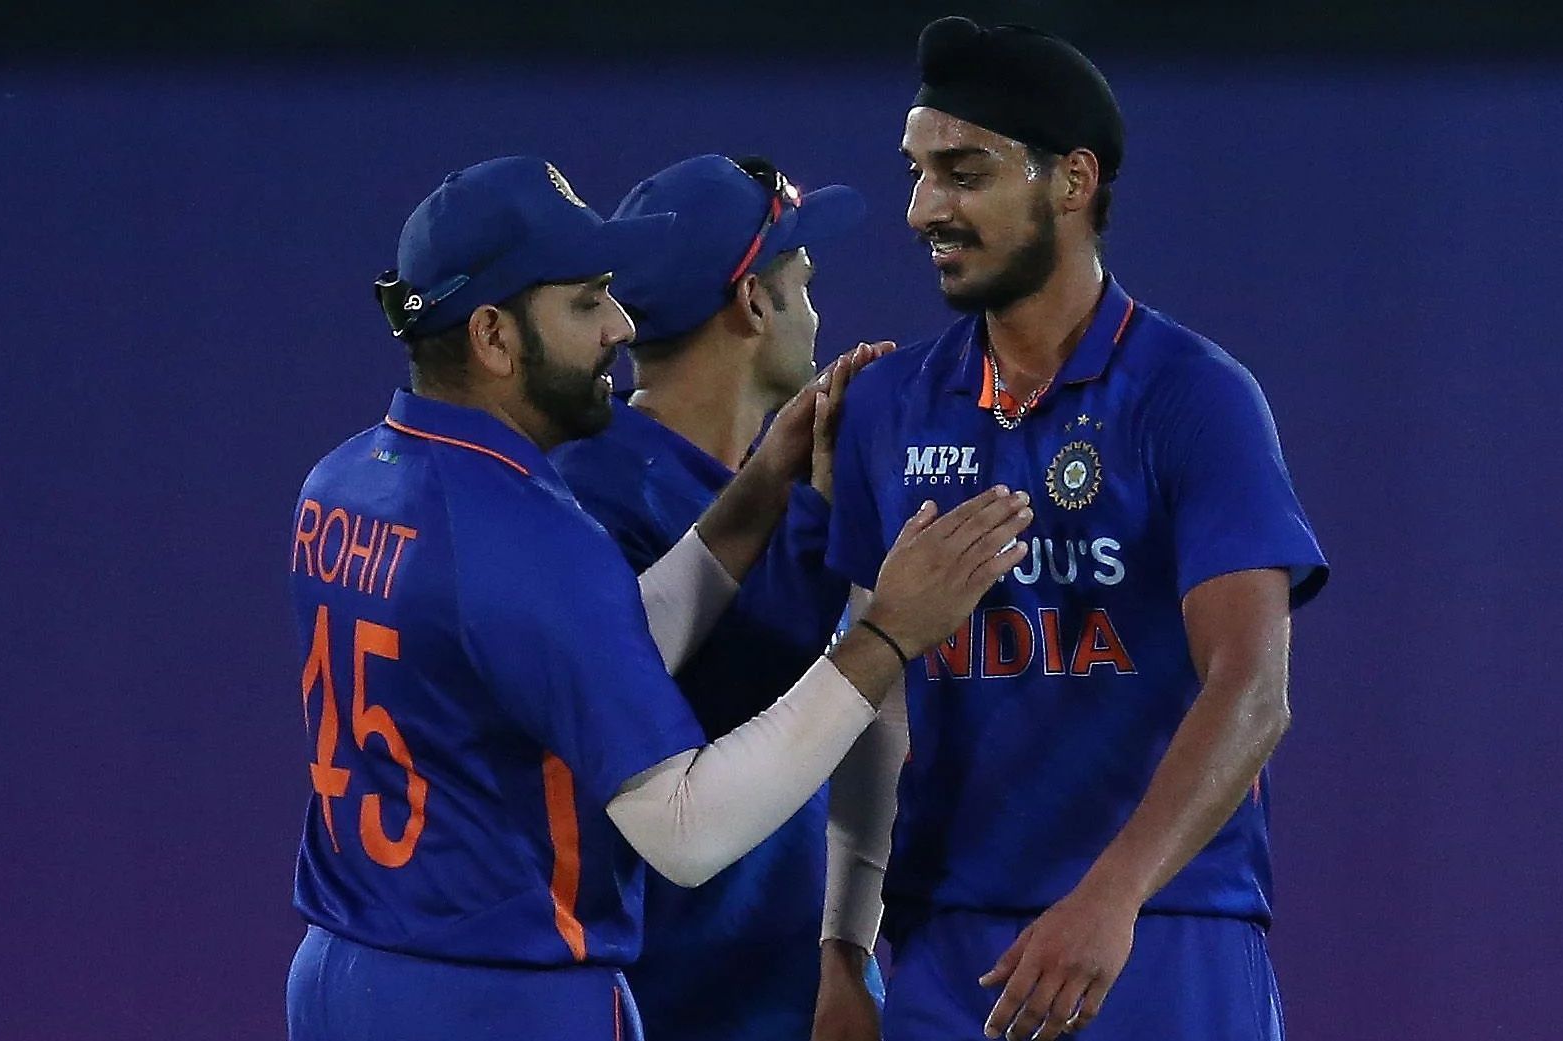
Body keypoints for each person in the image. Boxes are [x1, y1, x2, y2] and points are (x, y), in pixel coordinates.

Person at [283, 153, 1035, 1041]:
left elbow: (596, 647)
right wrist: (888, 633)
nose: (617, 325)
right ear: (493, 337)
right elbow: (686, 828)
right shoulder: (528, 537)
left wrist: (759, 490)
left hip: (346, 969)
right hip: (500, 995)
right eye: (583, 301)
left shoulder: (344, 481)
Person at [816, 18, 1330, 1041]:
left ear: (1072, 180)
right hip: (947, 947)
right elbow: (874, 700)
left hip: (1157, 930)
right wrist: (842, 946)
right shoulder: (888, 406)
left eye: (963, 173)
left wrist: (1114, 895)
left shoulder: (1195, 398)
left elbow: (1252, 686)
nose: (925, 210)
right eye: (919, 173)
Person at [551, 153, 881, 1041]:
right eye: (800, 283)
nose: (814, 311)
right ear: (752, 304)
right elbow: (732, 699)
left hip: (788, 992)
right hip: (672, 1001)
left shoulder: (754, 478)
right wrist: (826, 531)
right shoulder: (592, 495)